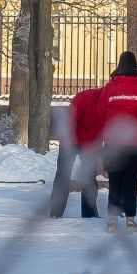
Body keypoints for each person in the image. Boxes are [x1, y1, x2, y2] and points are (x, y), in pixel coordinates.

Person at [93, 51, 137, 231]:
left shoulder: (110, 87)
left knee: (114, 180)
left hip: (113, 141)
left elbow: (101, 110)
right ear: (135, 66)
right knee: (131, 182)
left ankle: (112, 220)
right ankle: (130, 220)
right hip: (134, 142)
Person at [48, 86, 100, 219]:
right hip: (70, 140)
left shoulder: (112, 104)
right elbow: (70, 119)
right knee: (63, 176)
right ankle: (55, 213)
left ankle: (90, 214)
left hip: (90, 142)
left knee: (89, 176)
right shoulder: (85, 97)